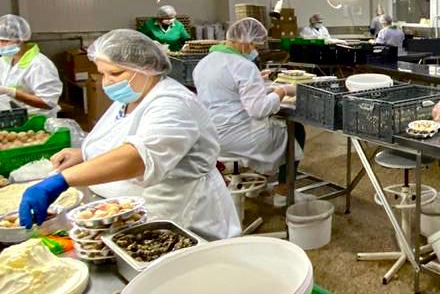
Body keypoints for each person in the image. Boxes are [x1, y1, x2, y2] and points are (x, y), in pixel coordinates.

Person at [19, 30, 239, 238]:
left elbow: (138, 158)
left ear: (146, 67)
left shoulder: (173, 104)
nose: (107, 81)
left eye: (115, 73)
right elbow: (122, 138)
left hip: (180, 217)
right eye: (103, 73)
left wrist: (63, 180)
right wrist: (84, 155)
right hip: (131, 214)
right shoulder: (131, 98)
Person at [192, 18, 303, 189]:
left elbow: (227, 91)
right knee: (295, 129)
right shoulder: (243, 66)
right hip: (237, 136)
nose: (254, 51)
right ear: (244, 41)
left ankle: (259, 182)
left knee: (273, 126)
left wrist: (257, 80)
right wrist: (282, 91)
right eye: (254, 45)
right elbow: (259, 110)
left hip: (209, 134)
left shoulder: (204, 63)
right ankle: (284, 190)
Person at [0, 14, 62, 117]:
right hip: (13, 118)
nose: (0, 45)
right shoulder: (5, 60)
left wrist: (12, 92)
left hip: (36, 121)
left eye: (4, 41)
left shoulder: (40, 65)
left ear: (20, 40)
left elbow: (48, 103)